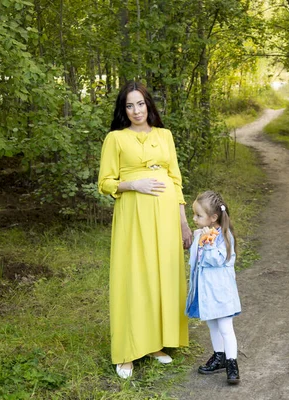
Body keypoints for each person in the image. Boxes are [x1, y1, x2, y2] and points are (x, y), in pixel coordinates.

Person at [98, 81, 192, 379]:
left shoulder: (165, 135)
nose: (136, 110)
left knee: (161, 275)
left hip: (165, 216)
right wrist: (133, 184)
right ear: (123, 110)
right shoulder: (115, 138)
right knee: (134, 276)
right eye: (130, 105)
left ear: (149, 105)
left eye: (140, 104)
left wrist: (183, 221)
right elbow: (105, 182)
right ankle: (127, 350)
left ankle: (155, 343)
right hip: (133, 215)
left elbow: (175, 179)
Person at [186, 190, 242, 384]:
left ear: (213, 217)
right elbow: (195, 260)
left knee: (226, 327)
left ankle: (231, 362)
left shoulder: (223, 237)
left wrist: (206, 243)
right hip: (207, 291)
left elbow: (216, 260)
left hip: (222, 292)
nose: (194, 218)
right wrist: (198, 240)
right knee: (212, 325)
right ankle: (219, 356)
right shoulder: (202, 233)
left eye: (198, 215)